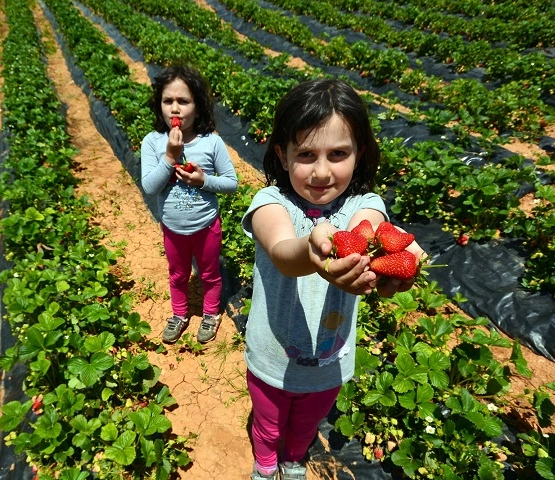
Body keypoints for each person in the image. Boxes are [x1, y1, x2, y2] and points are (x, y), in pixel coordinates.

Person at [241, 78, 423, 480]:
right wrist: (312, 250)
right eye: (306, 154)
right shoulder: (270, 204)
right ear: (282, 156)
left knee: (307, 423)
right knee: (268, 422)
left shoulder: (366, 206)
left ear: (359, 154)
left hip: (330, 360)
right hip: (272, 357)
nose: (322, 171)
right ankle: (266, 463)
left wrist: (401, 259)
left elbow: (369, 229)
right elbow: (282, 252)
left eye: (338, 153)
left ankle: (292, 459)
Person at [141, 65, 238, 344]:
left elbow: (231, 183)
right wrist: (170, 157)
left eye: (183, 101)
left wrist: (203, 180)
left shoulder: (212, 143)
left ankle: (210, 314)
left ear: (198, 106)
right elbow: (149, 187)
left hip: (206, 225)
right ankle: (180, 314)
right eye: (167, 101)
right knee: (178, 274)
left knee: (209, 273)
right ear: (158, 104)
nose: (175, 108)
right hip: (172, 227)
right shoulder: (153, 143)